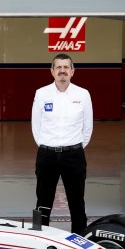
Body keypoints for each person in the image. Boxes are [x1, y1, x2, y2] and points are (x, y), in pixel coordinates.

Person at [31, 54, 93, 234]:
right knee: (42, 202)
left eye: (66, 67)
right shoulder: (41, 93)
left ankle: (80, 240)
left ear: (72, 71)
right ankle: (38, 239)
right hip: (47, 155)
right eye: (58, 67)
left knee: (77, 201)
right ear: (52, 71)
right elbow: (36, 126)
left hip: (74, 155)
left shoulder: (83, 94)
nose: (62, 71)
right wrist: (48, 145)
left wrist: (73, 147)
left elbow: (87, 127)